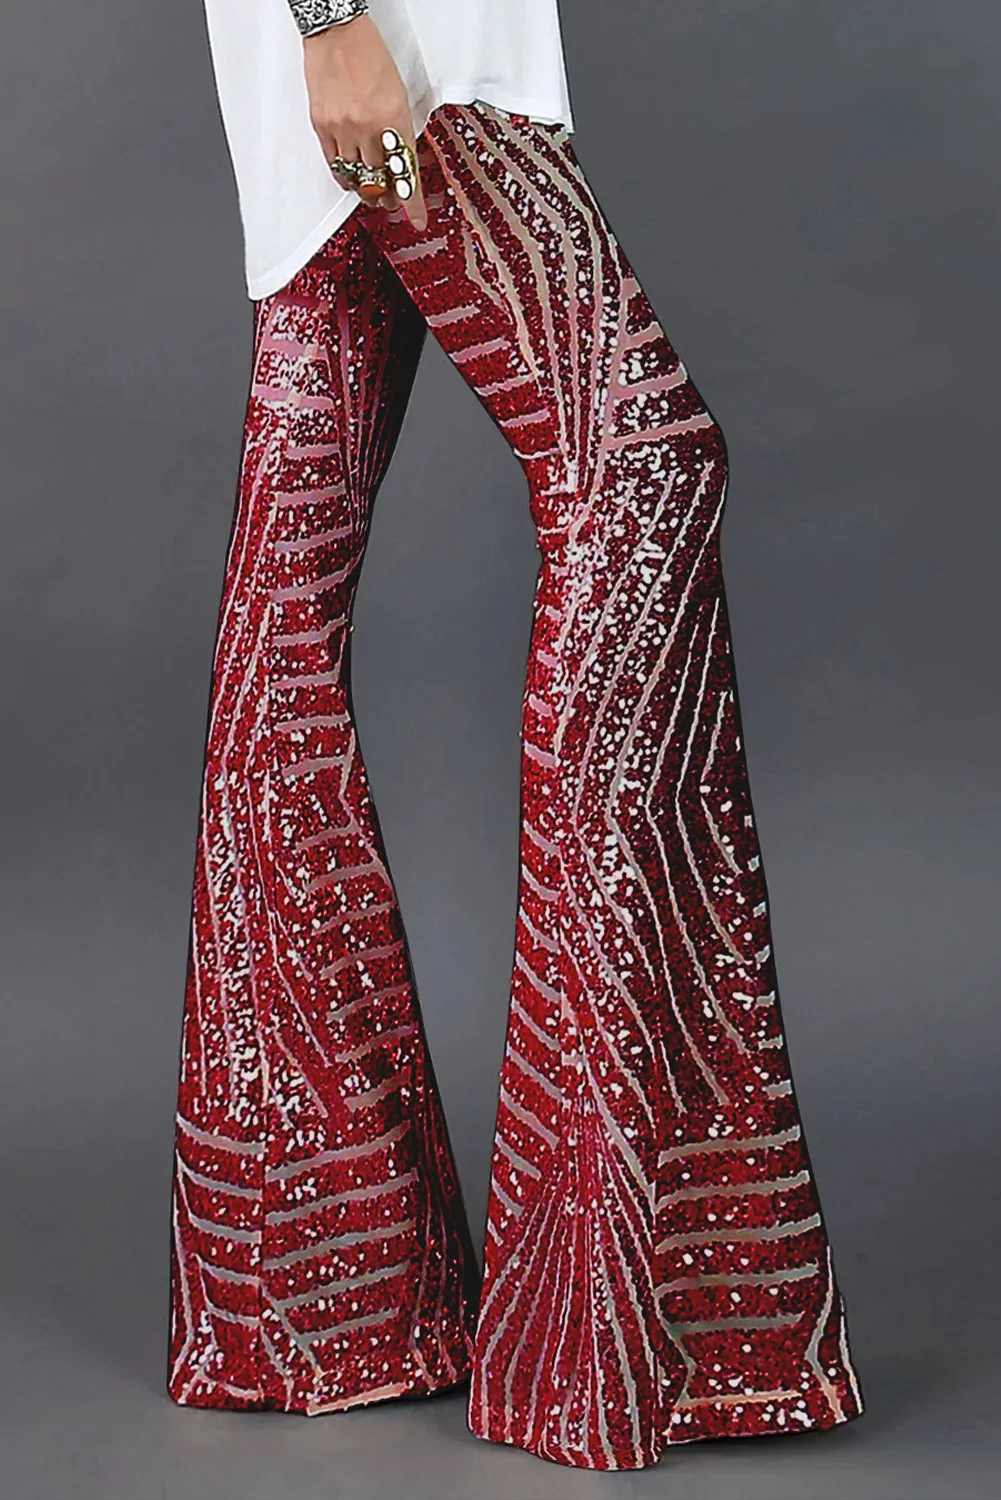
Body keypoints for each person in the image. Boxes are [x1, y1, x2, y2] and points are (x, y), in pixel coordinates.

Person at [166, 0, 864, 1471]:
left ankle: (320, 1293)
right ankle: (595, 1293)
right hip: (401, 46)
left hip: (390, 48)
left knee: (286, 613)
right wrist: (332, 21)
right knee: (645, 461)